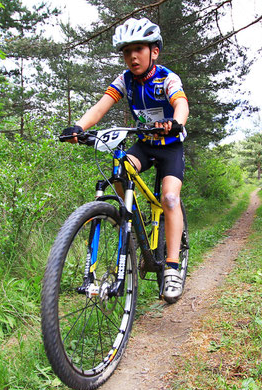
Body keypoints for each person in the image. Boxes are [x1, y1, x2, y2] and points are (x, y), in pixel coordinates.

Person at [61, 17, 189, 302]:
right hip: (144, 144)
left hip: (169, 147)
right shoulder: (125, 80)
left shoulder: (167, 78)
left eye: (139, 49)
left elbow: (180, 103)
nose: (132, 56)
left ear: (153, 51)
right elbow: (101, 105)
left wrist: (176, 122)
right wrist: (79, 127)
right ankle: (129, 219)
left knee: (169, 198)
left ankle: (171, 267)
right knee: (119, 171)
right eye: (127, 50)